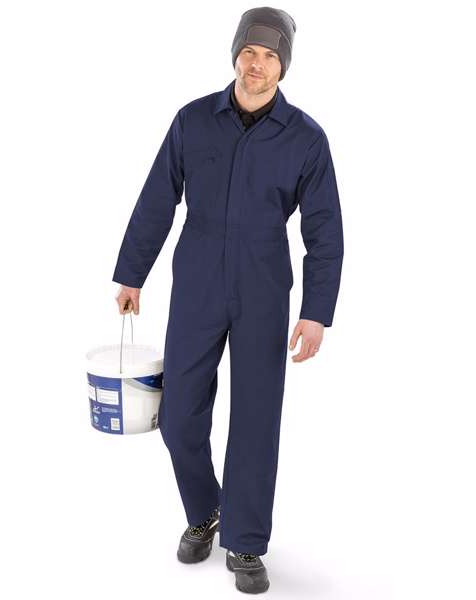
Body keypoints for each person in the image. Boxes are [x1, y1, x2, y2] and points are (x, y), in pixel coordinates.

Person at [112, 7, 344, 594]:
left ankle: (245, 541)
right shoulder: (193, 121)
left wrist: (316, 311)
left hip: (264, 284)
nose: (257, 64)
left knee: (256, 418)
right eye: (249, 52)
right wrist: (132, 274)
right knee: (178, 413)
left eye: (269, 56)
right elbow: (157, 199)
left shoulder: (307, 139)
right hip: (197, 280)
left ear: (283, 66)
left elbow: (324, 233)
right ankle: (205, 510)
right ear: (235, 54)